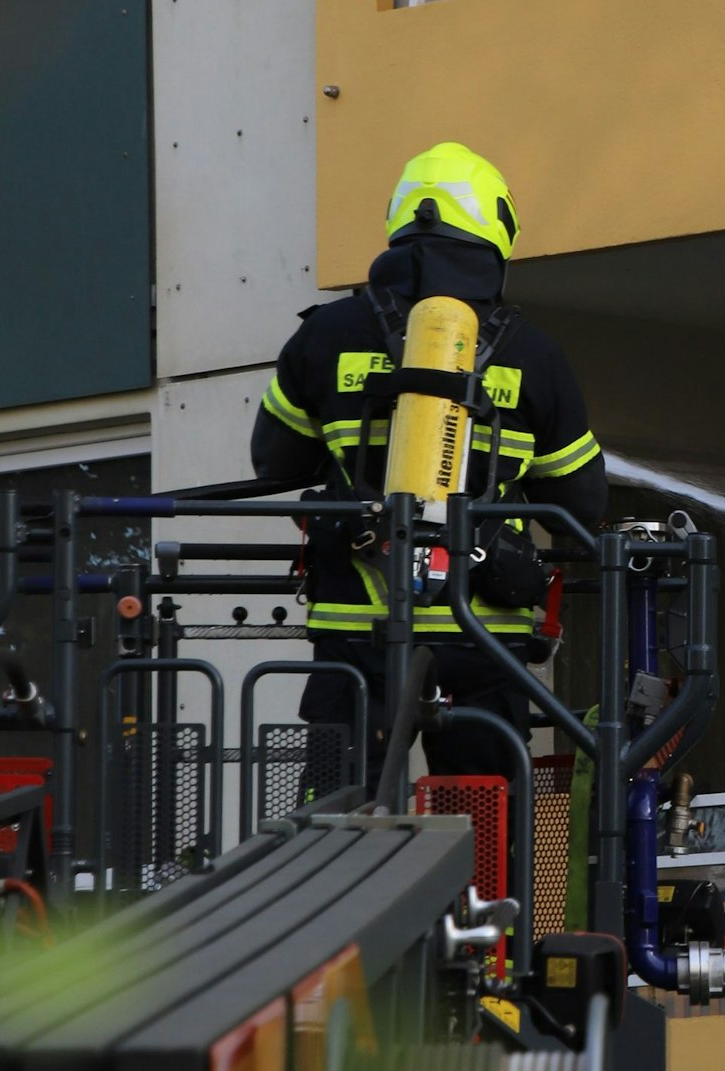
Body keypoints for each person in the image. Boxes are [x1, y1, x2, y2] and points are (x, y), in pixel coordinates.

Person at [250, 141, 607, 785]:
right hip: (483, 635)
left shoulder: (324, 335)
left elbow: (274, 462)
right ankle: (483, 858)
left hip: (356, 633)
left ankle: (339, 852)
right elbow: (583, 504)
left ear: (399, 219)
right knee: (483, 812)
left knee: (336, 811)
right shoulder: (535, 355)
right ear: (495, 228)